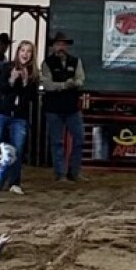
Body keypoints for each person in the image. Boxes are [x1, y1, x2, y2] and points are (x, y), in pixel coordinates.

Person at [0, 40, 38, 196]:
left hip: (19, 117)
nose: (25, 54)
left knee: (17, 150)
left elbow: (32, 98)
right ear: (18, 52)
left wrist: (24, 82)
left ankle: (15, 182)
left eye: (28, 51)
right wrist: (11, 80)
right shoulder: (7, 67)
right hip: (1, 113)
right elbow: (1, 87)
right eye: (22, 50)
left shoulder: (34, 74)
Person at [41, 31, 86, 182]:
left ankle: (74, 171)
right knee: (57, 141)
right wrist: (66, 84)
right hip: (54, 108)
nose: (61, 47)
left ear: (67, 46)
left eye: (63, 44)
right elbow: (47, 85)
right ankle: (60, 173)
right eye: (58, 44)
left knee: (79, 138)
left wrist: (63, 85)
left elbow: (80, 80)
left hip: (72, 107)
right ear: (53, 46)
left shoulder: (76, 61)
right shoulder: (47, 63)